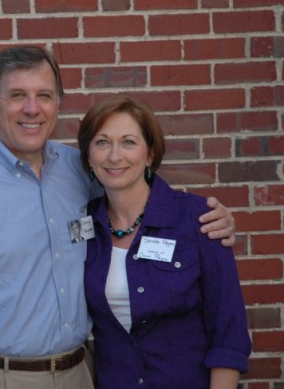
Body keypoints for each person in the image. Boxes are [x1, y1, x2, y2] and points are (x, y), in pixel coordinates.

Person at [0, 46, 237, 389]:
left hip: (80, 374)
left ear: (57, 105)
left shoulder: (81, 171)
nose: (32, 108)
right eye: (17, 95)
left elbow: (138, 199)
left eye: (44, 95)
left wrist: (210, 220)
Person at [77, 94, 251, 389]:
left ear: (149, 154)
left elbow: (228, 330)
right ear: (89, 157)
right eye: (102, 142)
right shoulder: (84, 228)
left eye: (128, 142)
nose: (114, 156)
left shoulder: (199, 220)